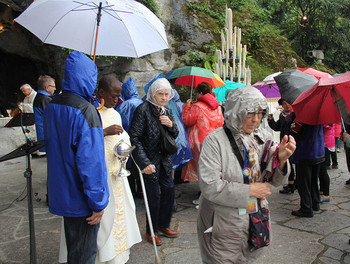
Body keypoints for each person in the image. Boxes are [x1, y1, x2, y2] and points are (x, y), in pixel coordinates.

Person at [197, 86, 295, 263]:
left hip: (254, 218)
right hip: (222, 223)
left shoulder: (262, 136)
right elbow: (209, 186)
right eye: (250, 113)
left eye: (260, 114)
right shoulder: (215, 141)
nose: (255, 120)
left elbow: (275, 180)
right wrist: (250, 191)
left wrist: (281, 160)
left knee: (248, 258)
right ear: (236, 111)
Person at [44, 51, 109, 263]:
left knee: (75, 249)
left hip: (61, 191)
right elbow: (91, 163)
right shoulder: (86, 111)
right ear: (88, 78)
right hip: (81, 197)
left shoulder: (53, 105)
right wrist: (98, 202)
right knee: (84, 254)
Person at [95, 74, 141, 263]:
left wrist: (125, 148)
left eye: (118, 96)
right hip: (103, 173)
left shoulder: (115, 114)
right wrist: (104, 132)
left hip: (117, 170)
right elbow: (83, 139)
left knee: (122, 211)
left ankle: (120, 252)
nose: (116, 100)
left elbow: (124, 136)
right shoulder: (92, 113)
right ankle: (105, 254)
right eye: (113, 96)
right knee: (108, 216)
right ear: (101, 93)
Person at [129, 78, 179, 246]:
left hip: (164, 159)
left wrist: (171, 124)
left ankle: (164, 225)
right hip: (150, 160)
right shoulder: (142, 110)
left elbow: (176, 133)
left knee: (169, 191)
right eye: (160, 94)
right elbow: (134, 138)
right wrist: (144, 163)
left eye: (166, 94)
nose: (164, 98)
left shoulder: (167, 110)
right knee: (153, 197)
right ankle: (152, 231)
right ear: (152, 93)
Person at [181, 82, 224, 184]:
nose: (196, 95)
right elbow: (221, 121)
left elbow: (187, 120)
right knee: (211, 166)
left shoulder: (198, 106)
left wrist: (187, 106)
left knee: (201, 167)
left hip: (199, 140)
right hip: (215, 139)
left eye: (196, 93)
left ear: (200, 93)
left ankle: (204, 194)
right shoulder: (217, 106)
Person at [116, 78, 144, 197]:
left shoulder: (123, 105)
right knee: (140, 165)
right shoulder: (143, 103)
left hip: (127, 140)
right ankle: (142, 190)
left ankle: (132, 191)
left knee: (129, 165)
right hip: (142, 140)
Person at [267, 99, 296, 194]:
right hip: (285, 141)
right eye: (284, 103)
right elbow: (277, 127)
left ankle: (296, 183)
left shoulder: (295, 114)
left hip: (294, 141)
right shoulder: (282, 115)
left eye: (288, 102)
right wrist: (270, 120)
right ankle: (290, 183)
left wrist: (289, 120)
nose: (287, 105)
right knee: (288, 162)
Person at [34, 75, 56, 155]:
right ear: (47, 87)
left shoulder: (38, 97)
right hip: (48, 134)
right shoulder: (45, 99)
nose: (55, 89)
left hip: (42, 133)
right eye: (53, 86)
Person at [319, 124, 334, 203]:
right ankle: (322, 190)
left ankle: (326, 194)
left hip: (326, 143)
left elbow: (329, 125)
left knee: (323, 169)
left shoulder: (328, 117)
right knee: (320, 170)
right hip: (323, 143)